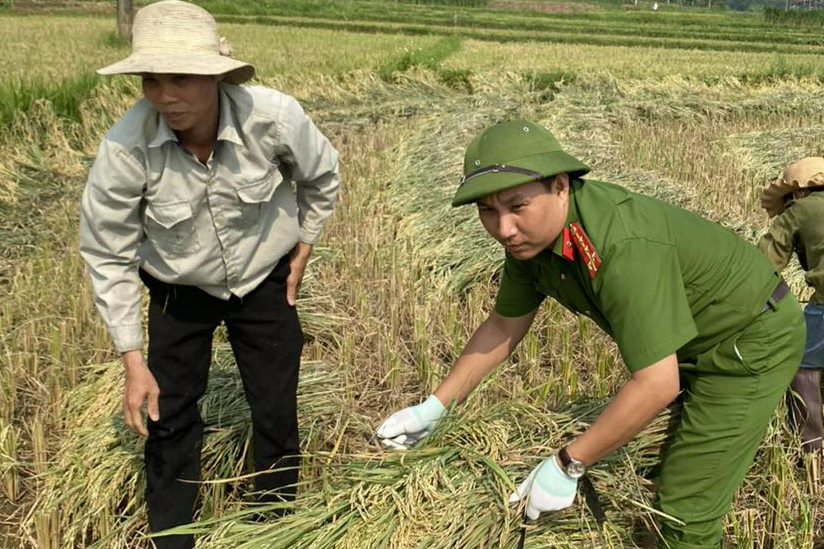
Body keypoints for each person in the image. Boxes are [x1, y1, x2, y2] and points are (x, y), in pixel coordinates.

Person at [377, 120, 804, 549]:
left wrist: (568, 463)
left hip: (747, 342)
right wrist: (434, 406)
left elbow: (657, 383)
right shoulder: (530, 245)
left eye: (516, 205)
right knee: (658, 462)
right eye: (487, 211)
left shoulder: (622, 245)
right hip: (689, 337)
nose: (503, 228)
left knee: (685, 512)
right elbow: (503, 326)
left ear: (560, 186)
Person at [79, 2, 339, 548]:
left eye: (180, 79)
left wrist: (305, 244)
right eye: (152, 80)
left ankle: (274, 521)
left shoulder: (274, 118)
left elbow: (322, 175)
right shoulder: (125, 149)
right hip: (179, 291)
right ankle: (173, 535)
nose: (164, 95)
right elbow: (108, 253)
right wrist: (132, 358)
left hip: (264, 280)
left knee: (274, 403)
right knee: (167, 413)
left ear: (216, 76)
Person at [758, 157, 824, 455]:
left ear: (797, 193)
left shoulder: (800, 209)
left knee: (803, 368)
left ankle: (811, 449)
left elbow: (763, 263)